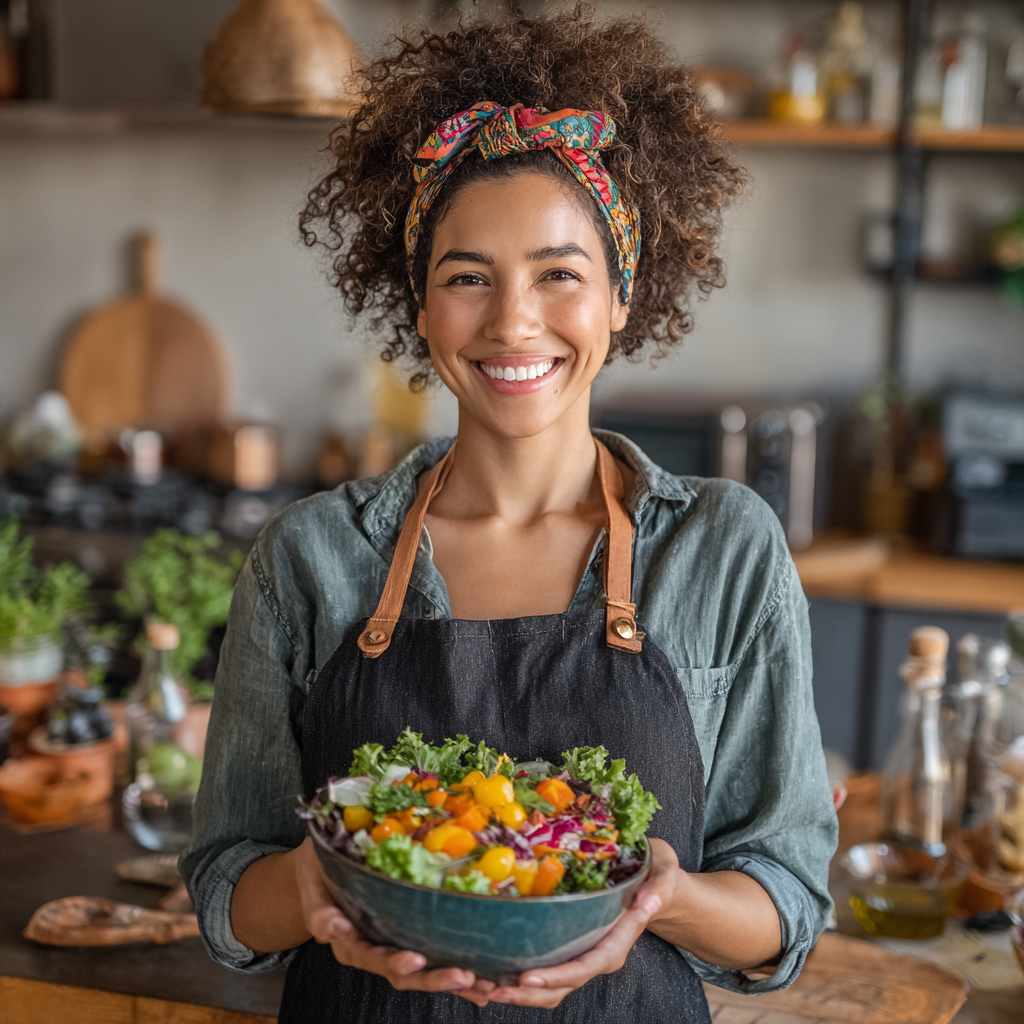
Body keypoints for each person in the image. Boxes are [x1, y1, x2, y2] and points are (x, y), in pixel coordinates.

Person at [180, 5, 837, 1022]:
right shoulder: (309, 556)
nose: (511, 322)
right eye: (466, 278)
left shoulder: (723, 548)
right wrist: (314, 887)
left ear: (621, 294)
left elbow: (784, 901)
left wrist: (662, 896)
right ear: (420, 303)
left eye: (558, 274)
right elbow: (228, 890)